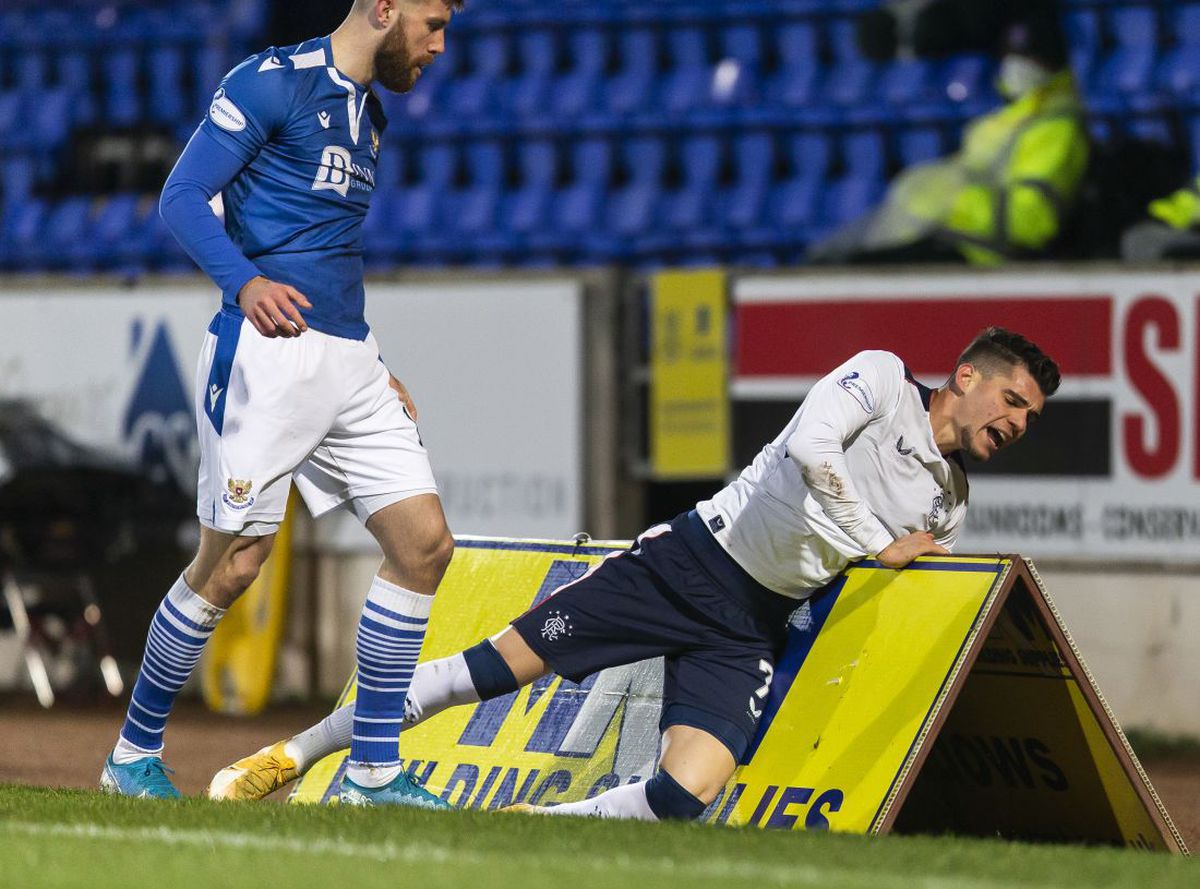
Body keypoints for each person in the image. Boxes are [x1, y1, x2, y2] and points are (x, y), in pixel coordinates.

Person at [210, 327, 1060, 822]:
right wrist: (877, 539)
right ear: (967, 376)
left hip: (753, 621)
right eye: (1013, 400)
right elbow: (807, 449)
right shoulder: (879, 378)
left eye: (1032, 416)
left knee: (686, 796)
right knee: (483, 673)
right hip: (690, 562)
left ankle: (525, 828)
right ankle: (292, 752)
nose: (1019, 421)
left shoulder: (950, 501)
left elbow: (859, 581)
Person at [100, 0, 464, 808]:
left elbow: (331, 247)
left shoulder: (371, 114)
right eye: (433, 24)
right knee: (231, 564)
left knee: (424, 545)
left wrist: (370, 358)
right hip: (268, 358)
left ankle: (370, 773)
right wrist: (246, 282)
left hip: (349, 358)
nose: (439, 46)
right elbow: (182, 196)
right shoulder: (272, 81)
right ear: (383, 8)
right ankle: (131, 754)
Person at [807, 16, 1089, 267]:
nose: (1018, 67)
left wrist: (954, 199)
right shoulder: (1002, 119)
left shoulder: (1058, 127)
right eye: (1013, 56)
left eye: (1031, 58)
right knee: (839, 260)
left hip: (986, 254)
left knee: (864, 270)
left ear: (1054, 63)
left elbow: (1034, 220)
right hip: (951, 239)